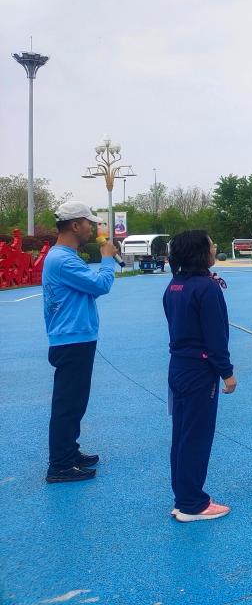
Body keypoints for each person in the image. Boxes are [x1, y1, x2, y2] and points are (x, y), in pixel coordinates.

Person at [163, 230, 236, 522]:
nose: (215, 247)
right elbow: (215, 336)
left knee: (182, 433)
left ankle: (183, 497)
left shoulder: (174, 285)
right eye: (211, 244)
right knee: (197, 435)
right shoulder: (206, 288)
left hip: (178, 366)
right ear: (199, 252)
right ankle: (192, 503)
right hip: (199, 371)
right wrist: (226, 372)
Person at [42, 201, 117, 483]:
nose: (92, 229)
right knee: (68, 403)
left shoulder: (64, 256)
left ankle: (68, 452)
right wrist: (107, 259)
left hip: (74, 337)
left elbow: (89, 289)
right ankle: (60, 465)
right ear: (75, 225)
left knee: (74, 400)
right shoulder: (63, 260)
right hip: (72, 339)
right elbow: (100, 285)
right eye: (89, 223)